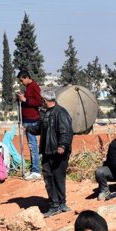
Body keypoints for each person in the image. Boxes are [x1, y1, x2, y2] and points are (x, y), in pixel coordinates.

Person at [25, 89, 73, 218]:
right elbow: (40, 128)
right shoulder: (47, 114)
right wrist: (28, 128)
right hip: (47, 151)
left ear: (45, 100)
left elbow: (66, 131)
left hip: (57, 152)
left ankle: (59, 204)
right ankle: (56, 204)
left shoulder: (61, 113)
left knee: (58, 177)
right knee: (49, 178)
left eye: (42, 100)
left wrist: (62, 145)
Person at [16, 72, 43, 180]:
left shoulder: (34, 86)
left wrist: (25, 100)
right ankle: (33, 169)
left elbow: (39, 102)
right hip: (27, 120)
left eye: (22, 80)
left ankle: (36, 171)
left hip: (32, 120)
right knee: (32, 146)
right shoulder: (28, 87)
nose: (21, 83)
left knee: (33, 147)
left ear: (27, 77)